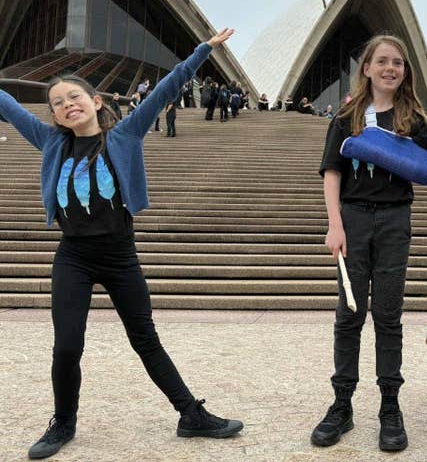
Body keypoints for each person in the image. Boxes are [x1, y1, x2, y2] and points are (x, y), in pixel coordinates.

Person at [0, 29, 244, 460]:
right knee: (67, 344)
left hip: (119, 256)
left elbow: (167, 87)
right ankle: (64, 423)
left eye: (73, 96)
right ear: (54, 116)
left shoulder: (125, 134)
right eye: (57, 103)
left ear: (95, 101)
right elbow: (9, 106)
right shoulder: (51, 141)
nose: (66, 105)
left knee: (145, 338)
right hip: (73, 256)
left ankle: (191, 415)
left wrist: (202, 51)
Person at [312, 34, 427, 453]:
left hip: (395, 220)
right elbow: (332, 172)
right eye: (381, 61)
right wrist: (334, 225)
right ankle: (342, 404)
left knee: (388, 315)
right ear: (366, 68)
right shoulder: (347, 117)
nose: (390, 68)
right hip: (353, 217)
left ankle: (389, 407)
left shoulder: (413, 119)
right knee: (349, 313)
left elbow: (421, 168)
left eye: (397, 62)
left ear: (404, 72)